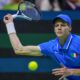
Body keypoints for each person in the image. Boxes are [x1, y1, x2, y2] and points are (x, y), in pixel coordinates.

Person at [3, 13, 80, 80]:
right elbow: (19, 50)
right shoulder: (51, 46)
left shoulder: (78, 42)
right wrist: (9, 24)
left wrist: (71, 71)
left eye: (63, 25)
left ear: (70, 28)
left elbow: (70, 71)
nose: (59, 28)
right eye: (56, 25)